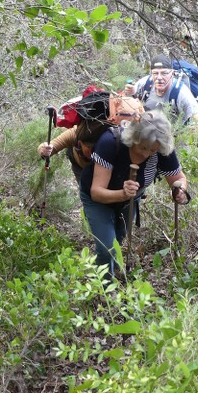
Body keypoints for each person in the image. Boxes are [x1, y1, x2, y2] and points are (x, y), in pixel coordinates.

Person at [79, 110, 189, 280]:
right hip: (98, 199)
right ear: (134, 138)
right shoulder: (111, 142)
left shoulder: (161, 149)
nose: (146, 154)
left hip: (129, 201)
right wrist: (123, 194)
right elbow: (97, 192)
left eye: (152, 150)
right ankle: (102, 289)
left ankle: (109, 273)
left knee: (118, 239)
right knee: (107, 246)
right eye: (143, 147)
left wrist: (180, 190)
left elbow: (178, 178)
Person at [131, 53, 198, 128]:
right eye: (155, 73)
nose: (159, 77)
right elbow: (127, 101)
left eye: (164, 73)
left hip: (175, 134)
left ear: (172, 73)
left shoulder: (181, 93)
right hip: (148, 130)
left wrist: (195, 130)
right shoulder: (145, 84)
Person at [38, 119, 109, 184]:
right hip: (80, 166)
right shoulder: (74, 134)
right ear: (80, 143)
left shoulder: (111, 138)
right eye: (92, 149)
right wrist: (44, 150)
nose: (96, 152)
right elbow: (52, 145)